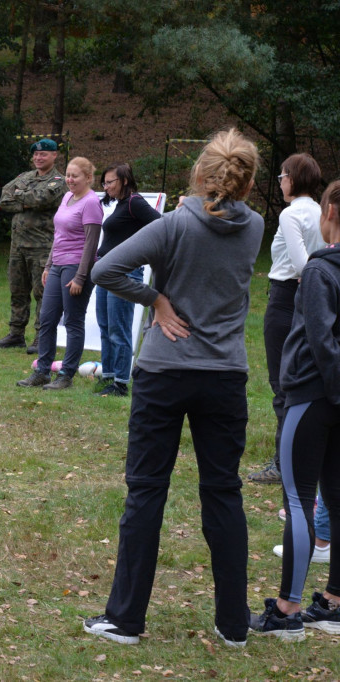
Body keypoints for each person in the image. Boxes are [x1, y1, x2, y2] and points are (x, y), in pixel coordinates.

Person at [84, 129, 263, 647]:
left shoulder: (176, 225)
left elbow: (104, 268)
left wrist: (155, 300)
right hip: (225, 375)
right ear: (247, 181)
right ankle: (234, 624)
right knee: (224, 495)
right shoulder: (255, 228)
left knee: (145, 493)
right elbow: (224, 220)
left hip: (165, 373)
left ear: (200, 173)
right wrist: (158, 297)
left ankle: (125, 620)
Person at [248, 179, 340, 641]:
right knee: (337, 497)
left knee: (299, 498)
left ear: (329, 215)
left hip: (313, 395)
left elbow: (321, 340)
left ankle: (288, 611)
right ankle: (336, 603)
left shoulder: (322, 271)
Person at [250, 153, 327, 484]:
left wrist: (309, 273)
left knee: (283, 384)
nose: (279, 181)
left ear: (292, 179)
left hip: (287, 300)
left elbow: (302, 263)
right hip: (318, 299)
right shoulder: (322, 211)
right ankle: (307, 455)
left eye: (282, 175)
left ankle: (284, 464)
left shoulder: (291, 214)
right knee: (307, 379)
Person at [16, 156, 101, 391]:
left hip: (77, 268)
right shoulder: (66, 197)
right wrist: (48, 266)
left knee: (73, 322)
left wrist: (81, 277)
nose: (70, 180)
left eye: (76, 176)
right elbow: (58, 236)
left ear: (88, 178)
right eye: (68, 175)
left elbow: (91, 245)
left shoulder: (91, 203)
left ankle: (66, 375)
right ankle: (42, 372)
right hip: (57, 266)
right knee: (46, 319)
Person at [92, 163, 162, 397]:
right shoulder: (122, 205)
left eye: (110, 182)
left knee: (118, 329)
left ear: (124, 181)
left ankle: (121, 383)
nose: (106, 186)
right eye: (104, 182)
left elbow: (160, 226)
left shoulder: (135, 202)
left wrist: (139, 253)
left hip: (124, 273)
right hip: (106, 272)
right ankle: (108, 376)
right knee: (105, 326)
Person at [0, 138, 65, 353]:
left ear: (54, 156)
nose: (39, 157)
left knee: (43, 293)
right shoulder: (24, 177)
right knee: (17, 291)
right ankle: (16, 334)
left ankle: (42, 337)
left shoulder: (58, 181)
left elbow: (43, 199)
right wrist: (26, 199)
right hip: (18, 247)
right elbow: (4, 199)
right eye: (36, 154)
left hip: (42, 246)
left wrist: (20, 197)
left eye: (44, 154)